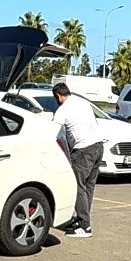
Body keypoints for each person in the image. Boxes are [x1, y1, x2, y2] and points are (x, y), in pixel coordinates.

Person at [53, 82, 102, 239]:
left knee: (77, 186)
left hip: (83, 149)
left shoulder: (63, 110)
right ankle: (82, 219)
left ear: (58, 96)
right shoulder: (82, 102)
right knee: (88, 186)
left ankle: (85, 225)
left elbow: (53, 131)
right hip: (98, 146)